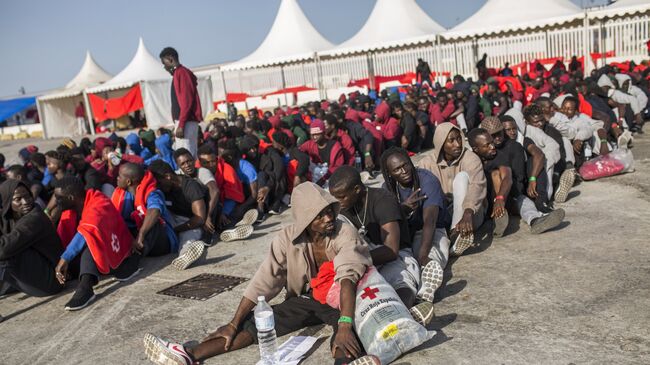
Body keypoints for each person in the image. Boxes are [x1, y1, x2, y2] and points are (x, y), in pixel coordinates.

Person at [143, 182, 379, 365]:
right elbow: (265, 280)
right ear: (306, 220)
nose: (329, 218)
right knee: (257, 324)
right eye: (320, 215)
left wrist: (346, 324)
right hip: (308, 298)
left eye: (329, 210)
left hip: (344, 297)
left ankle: (345, 361)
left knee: (351, 329)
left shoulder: (344, 230)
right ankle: (188, 354)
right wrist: (233, 323)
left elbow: (348, 275)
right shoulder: (286, 238)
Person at [328, 166, 435, 323]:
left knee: (401, 282)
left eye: (342, 197)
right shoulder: (343, 209)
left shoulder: (383, 200)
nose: (338, 202)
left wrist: (356, 260)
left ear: (357, 189)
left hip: (396, 255)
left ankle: (403, 313)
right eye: (335, 198)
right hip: (366, 255)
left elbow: (391, 250)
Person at [53, 176, 140, 311]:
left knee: (90, 239)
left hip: (115, 252)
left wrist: (65, 258)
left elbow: (87, 231)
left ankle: (86, 287)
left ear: (71, 198)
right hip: (99, 258)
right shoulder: (70, 211)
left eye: (58, 199)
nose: (56, 202)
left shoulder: (99, 202)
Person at [380, 147, 450, 303]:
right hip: (405, 235)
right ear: (389, 173)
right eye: (397, 169)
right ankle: (407, 291)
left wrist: (423, 255)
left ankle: (425, 292)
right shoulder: (386, 190)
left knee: (433, 254)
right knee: (402, 267)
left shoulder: (427, 180)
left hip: (430, 229)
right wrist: (402, 208)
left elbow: (429, 221)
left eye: (405, 165)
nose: (404, 171)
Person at [467, 129, 566, 236]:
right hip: (481, 203)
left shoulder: (498, 155)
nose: (492, 146)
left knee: (521, 200)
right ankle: (496, 221)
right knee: (493, 175)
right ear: (476, 149)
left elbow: (507, 178)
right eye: (487, 145)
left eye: (492, 142)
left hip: (502, 200)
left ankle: (535, 220)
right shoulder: (469, 159)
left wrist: (500, 199)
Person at [418, 123, 487, 256]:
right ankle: (449, 246)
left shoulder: (471, 158)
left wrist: (468, 211)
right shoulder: (426, 163)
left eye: (459, 138)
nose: (458, 144)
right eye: (451, 140)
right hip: (443, 212)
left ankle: (456, 233)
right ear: (441, 143)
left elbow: (477, 186)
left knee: (461, 178)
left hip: (471, 215)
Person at [0, 180, 63, 298]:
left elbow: (3, 250)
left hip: (51, 281)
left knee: (6, 256)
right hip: (30, 277)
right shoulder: (6, 216)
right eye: (18, 199)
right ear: (7, 201)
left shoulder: (35, 217)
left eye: (28, 196)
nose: (26, 202)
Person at [112, 163, 179, 259]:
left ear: (128, 182)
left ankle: (134, 260)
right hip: (137, 240)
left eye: (119, 176)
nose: (117, 178)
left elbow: (155, 210)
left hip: (160, 243)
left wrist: (141, 234)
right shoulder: (123, 195)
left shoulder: (153, 192)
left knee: (153, 222)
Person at [160, 47, 202, 157]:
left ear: (170, 59)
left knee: (186, 156)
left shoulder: (181, 73)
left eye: (164, 63)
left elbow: (186, 102)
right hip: (184, 121)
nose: (164, 67)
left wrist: (181, 124)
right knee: (187, 154)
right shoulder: (179, 74)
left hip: (186, 121)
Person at [174, 148, 220, 237]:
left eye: (189, 161)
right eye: (183, 163)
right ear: (178, 165)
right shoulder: (177, 176)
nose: (187, 165)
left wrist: (208, 216)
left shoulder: (202, 171)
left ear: (194, 160)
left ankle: (210, 234)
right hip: (191, 211)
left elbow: (215, 191)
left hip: (208, 209)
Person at [299, 119, 345, 186]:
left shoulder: (335, 146)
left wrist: (323, 179)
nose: (314, 137)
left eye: (317, 134)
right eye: (312, 135)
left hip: (331, 178)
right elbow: (297, 151)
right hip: (315, 177)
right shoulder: (310, 144)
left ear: (323, 133)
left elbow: (337, 167)